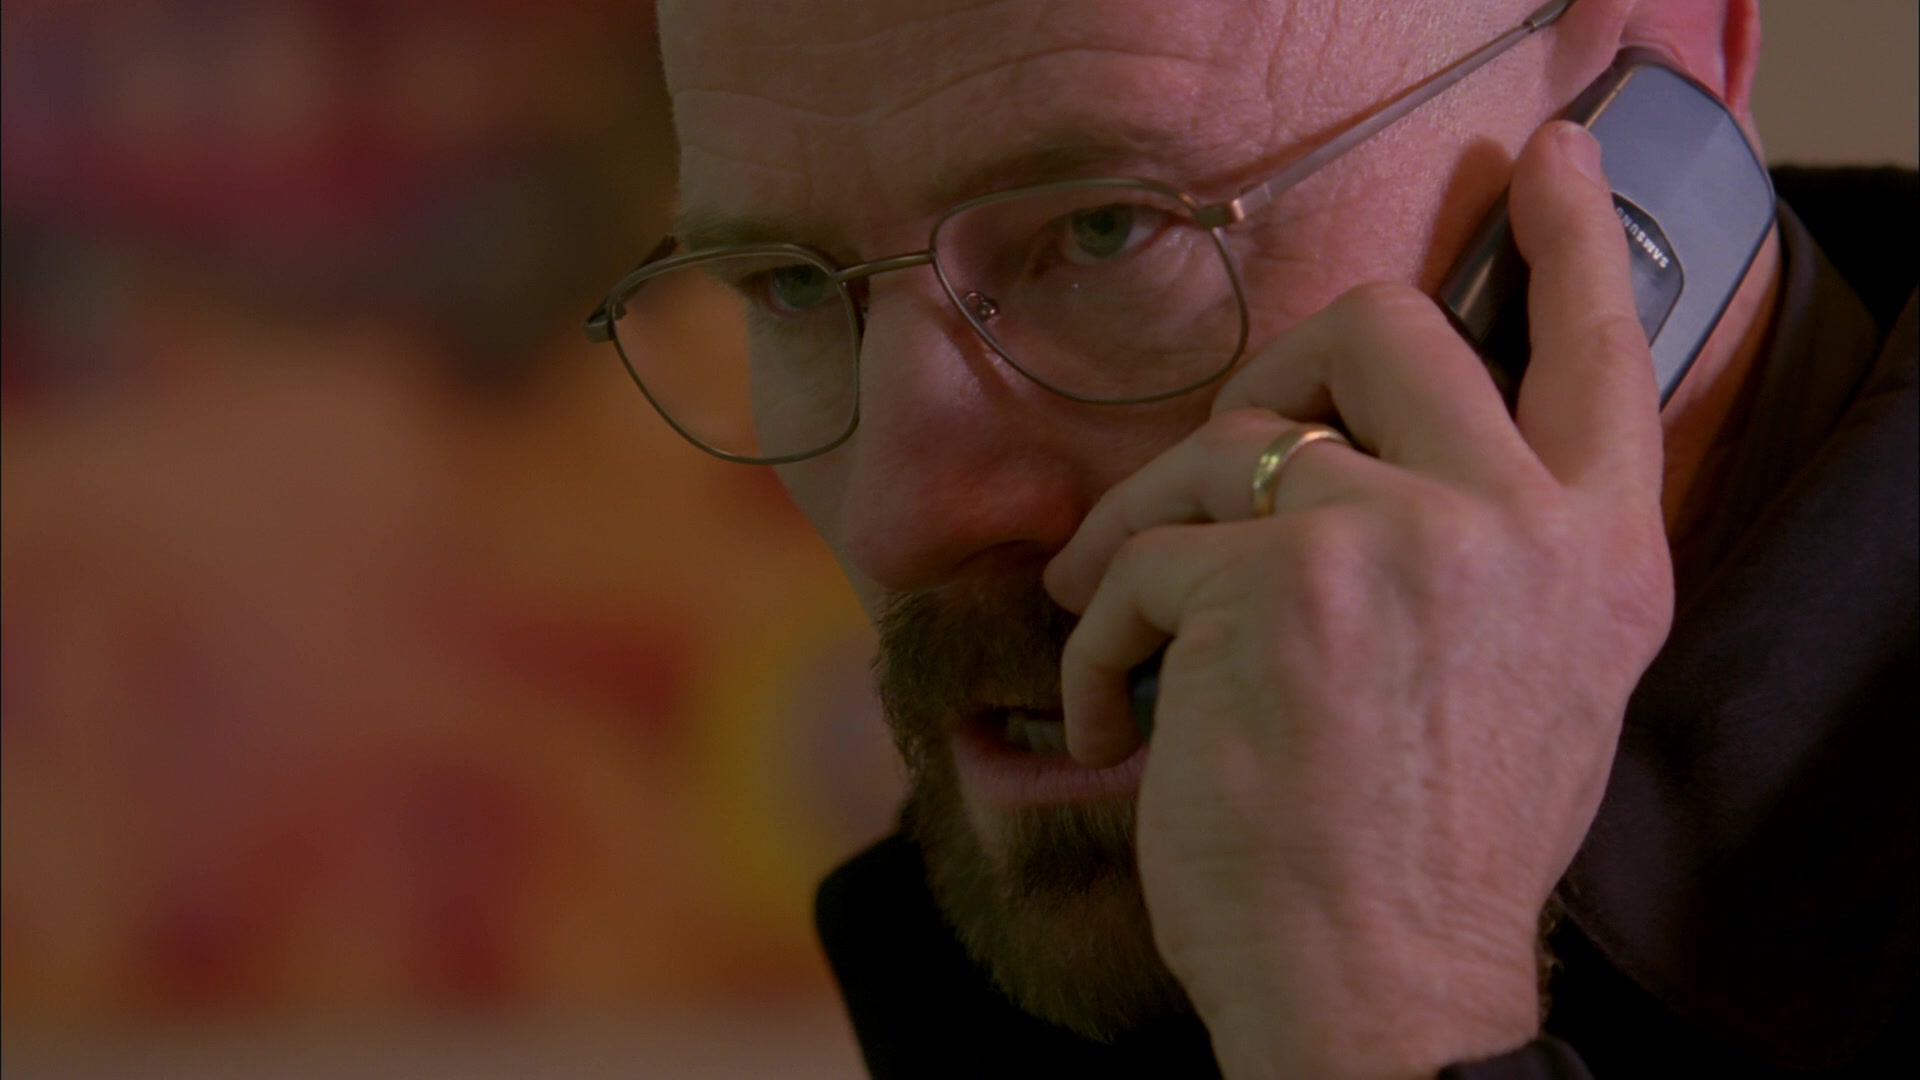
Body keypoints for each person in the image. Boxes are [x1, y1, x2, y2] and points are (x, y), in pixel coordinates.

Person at [598, 0, 1916, 1074]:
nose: (900, 521)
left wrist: (1394, 1010)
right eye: (787, 286)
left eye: (1108, 230)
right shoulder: (997, 947)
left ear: (1663, 60)